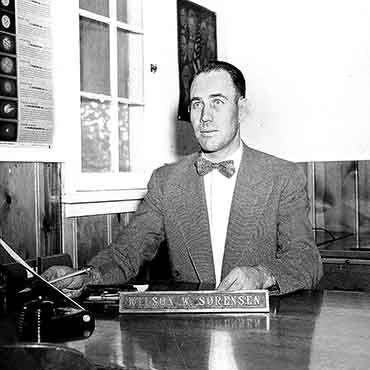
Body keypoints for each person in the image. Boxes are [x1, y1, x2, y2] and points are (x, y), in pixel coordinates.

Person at [43, 61, 323, 297]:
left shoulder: (283, 177)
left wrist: (263, 275)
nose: (205, 117)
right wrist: (85, 275)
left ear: (242, 109)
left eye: (218, 102)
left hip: (262, 337)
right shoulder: (166, 181)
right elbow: (127, 251)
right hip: (191, 341)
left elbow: (306, 260)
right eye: (197, 104)